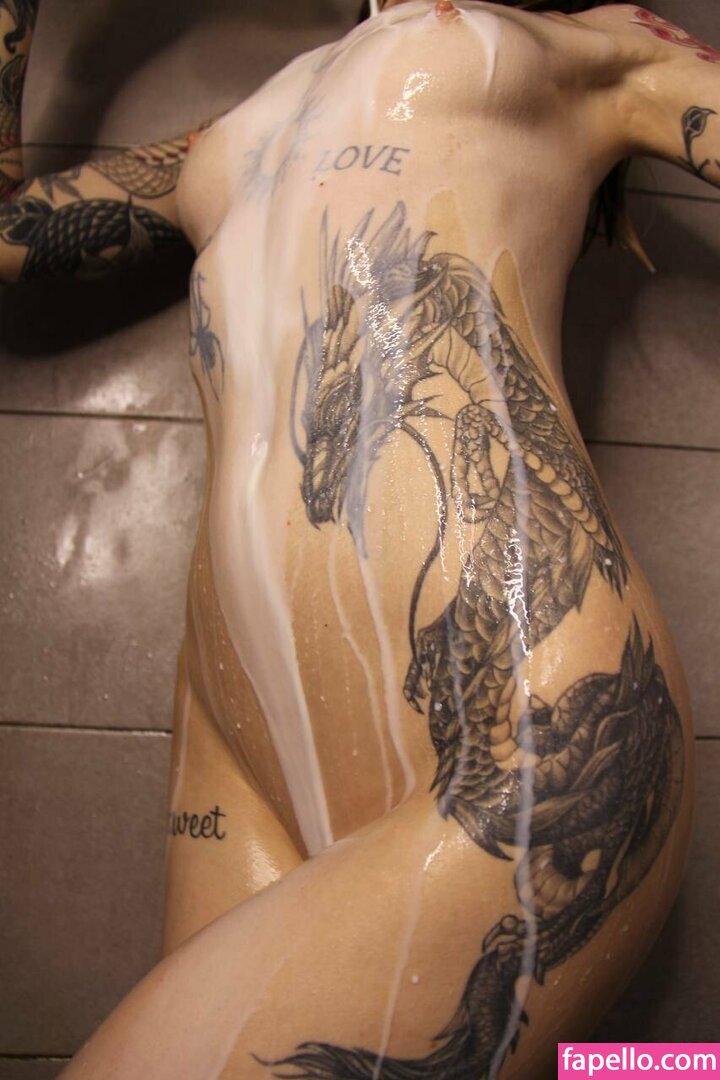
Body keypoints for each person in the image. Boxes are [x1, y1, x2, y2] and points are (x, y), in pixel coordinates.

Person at [1, 0, 716, 1076]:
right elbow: (15, 231)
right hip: (235, 747)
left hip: (534, 702)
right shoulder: (234, 128)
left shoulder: (591, 39)